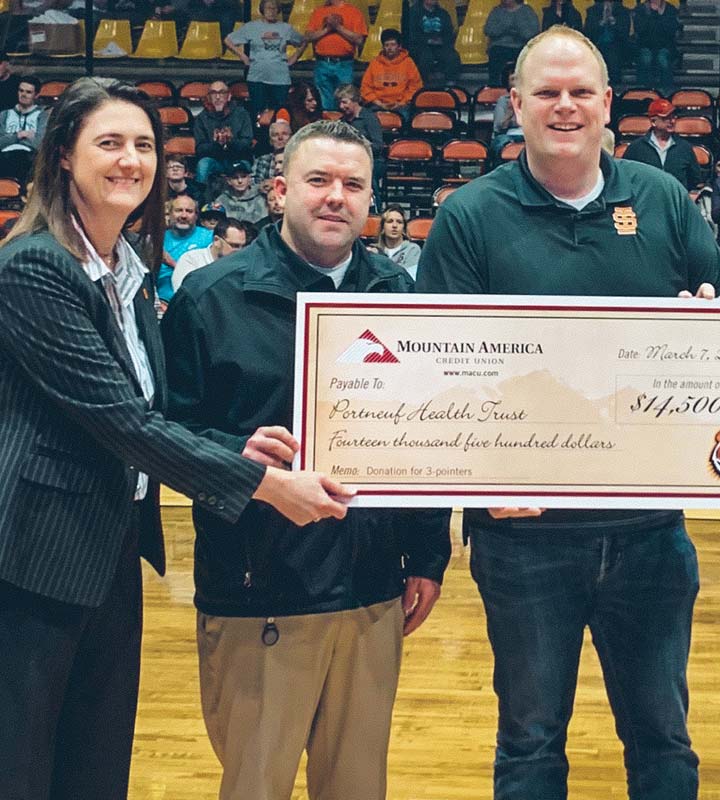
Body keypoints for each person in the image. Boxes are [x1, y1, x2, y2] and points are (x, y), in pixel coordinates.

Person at [0, 75, 351, 800]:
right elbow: (124, 423)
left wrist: (236, 450)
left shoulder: (128, 271)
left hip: (108, 547)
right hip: (31, 560)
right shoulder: (34, 266)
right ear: (62, 154)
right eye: (109, 142)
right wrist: (260, 482)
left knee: (94, 765)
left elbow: (152, 412)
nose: (131, 159)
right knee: (23, 764)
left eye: (144, 145)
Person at [416, 26, 720, 800]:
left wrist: (710, 321)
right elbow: (441, 371)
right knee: (528, 744)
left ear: (608, 106)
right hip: (523, 538)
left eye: (581, 92)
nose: (565, 106)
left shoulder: (660, 199)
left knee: (663, 741)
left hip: (649, 532)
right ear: (515, 105)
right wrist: (471, 475)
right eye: (548, 93)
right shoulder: (470, 216)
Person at [161, 119, 452, 800]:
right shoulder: (211, 299)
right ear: (278, 190)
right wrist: (239, 457)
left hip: (372, 590)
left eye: (353, 185)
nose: (335, 198)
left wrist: (429, 557)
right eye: (318, 181)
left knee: (357, 788)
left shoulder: (400, 298)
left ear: (370, 200)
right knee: (256, 787)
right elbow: (161, 434)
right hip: (258, 589)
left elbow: (429, 433)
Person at [223, 0, 304, 119]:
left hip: (280, 78)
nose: (271, 11)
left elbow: (303, 42)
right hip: (257, 77)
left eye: (274, 8)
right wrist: (243, 56)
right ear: (262, 10)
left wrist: (295, 57)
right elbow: (228, 41)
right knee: (258, 113)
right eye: (268, 8)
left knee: (279, 113)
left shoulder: (286, 28)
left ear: (278, 10)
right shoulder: (252, 27)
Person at [192, 80, 255, 198]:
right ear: (209, 97)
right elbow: (199, 149)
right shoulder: (201, 118)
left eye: (222, 93)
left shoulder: (241, 114)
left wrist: (231, 142)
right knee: (203, 165)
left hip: (238, 158)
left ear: (229, 96)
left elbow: (247, 144)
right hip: (215, 161)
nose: (217, 97)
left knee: (246, 166)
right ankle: (199, 202)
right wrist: (216, 144)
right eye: (213, 93)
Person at [621, 97, 701, 188]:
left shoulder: (685, 147)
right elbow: (625, 178)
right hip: (646, 199)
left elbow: (696, 181)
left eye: (674, 116)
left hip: (676, 200)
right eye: (666, 118)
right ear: (653, 121)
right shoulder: (636, 148)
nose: (672, 121)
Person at [305, 0, 367, 110]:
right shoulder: (318, 12)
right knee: (323, 100)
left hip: (344, 63)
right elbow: (309, 36)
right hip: (322, 62)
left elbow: (359, 39)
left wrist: (338, 27)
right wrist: (328, 29)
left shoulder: (354, 12)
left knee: (345, 98)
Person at [171, 216, 250, 292]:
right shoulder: (191, 260)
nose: (240, 251)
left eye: (243, 246)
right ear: (216, 240)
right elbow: (184, 296)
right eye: (234, 246)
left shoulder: (245, 264)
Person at [161, 193, 213, 304]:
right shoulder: (157, 240)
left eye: (189, 211)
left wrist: (172, 263)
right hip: (161, 302)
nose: (184, 216)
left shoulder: (209, 238)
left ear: (196, 216)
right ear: (169, 214)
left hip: (196, 302)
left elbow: (209, 276)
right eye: (179, 210)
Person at [360, 27, 423, 117]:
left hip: (402, 106)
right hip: (377, 105)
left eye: (393, 45)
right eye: (387, 45)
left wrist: (402, 103)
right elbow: (365, 88)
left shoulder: (408, 62)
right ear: (383, 47)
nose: (390, 48)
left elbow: (415, 87)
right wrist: (379, 103)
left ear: (399, 46)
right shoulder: (374, 63)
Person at [0, 76, 46, 183]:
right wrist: (19, 135)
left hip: (29, 157)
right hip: (4, 156)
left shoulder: (42, 115)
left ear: (37, 95)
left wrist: (9, 138)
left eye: (28, 92)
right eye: (21, 91)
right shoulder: (4, 115)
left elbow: (40, 144)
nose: (23, 95)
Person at [485, 0, 539, 87]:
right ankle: (495, 86)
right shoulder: (496, 11)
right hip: (500, 46)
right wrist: (507, 28)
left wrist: (516, 30)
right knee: (495, 53)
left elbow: (532, 33)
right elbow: (489, 30)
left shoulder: (527, 11)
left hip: (521, 46)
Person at [406, 0, 462, 83]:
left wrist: (442, 40)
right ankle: (422, 85)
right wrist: (428, 40)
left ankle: (451, 84)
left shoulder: (443, 13)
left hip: (440, 45)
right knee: (426, 58)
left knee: (453, 57)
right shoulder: (413, 13)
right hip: (420, 45)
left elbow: (449, 33)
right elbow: (411, 34)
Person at [632, 0, 679, 95]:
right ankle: (645, 91)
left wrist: (661, 16)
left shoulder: (670, 9)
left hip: (665, 46)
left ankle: (667, 91)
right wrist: (649, 15)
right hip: (645, 45)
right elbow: (639, 29)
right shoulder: (640, 9)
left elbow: (671, 31)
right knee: (646, 58)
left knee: (663, 59)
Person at [584, 0, 631, 84]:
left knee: (613, 56)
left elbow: (625, 34)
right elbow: (588, 32)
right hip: (597, 44)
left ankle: (615, 87)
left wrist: (614, 23)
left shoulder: (623, 12)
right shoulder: (592, 11)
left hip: (617, 45)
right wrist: (601, 23)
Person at [375, 202, 421, 279]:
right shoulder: (374, 251)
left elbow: (407, 279)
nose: (394, 226)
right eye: (390, 221)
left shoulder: (413, 250)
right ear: (383, 228)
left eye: (399, 222)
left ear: (403, 228)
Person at [252, 119, 292, 193]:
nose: (280, 138)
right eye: (275, 135)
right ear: (270, 141)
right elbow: (253, 185)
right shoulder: (263, 160)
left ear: (291, 138)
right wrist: (263, 185)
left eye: (284, 134)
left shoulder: (298, 159)